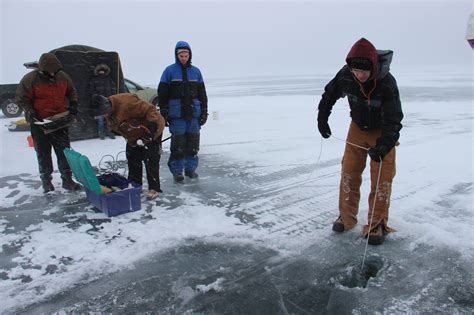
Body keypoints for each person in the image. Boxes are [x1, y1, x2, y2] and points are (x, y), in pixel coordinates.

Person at [316, 38, 403, 245]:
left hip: (382, 131)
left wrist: (383, 145)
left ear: (373, 66)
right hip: (357, 128)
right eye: (356, 70)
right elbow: (329, 95)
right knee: (349, 173)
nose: (359, 75)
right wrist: (322, 118)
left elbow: (394, 119)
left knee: (381, 179)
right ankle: (346, 218)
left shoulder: (387, 83)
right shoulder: (346, 75)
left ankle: (376, 224)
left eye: (364, 71)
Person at [16, 53, 81, 193]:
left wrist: (74, 104)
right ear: (42, 68)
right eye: (49, 70)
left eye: (54, 70)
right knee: (43, 153)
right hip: (39, 123)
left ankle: (67, 179)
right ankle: (46, 181)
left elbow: (72, 91)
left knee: (64, 152)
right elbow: (21, 99)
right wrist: (31, 112)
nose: (52, 72)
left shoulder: (63, 76)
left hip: (59, 121)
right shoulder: (30, 79)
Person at [91, 93, 165, 200]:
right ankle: (135, 186)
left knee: (150, 158)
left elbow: (150, 110)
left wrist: (151, 129)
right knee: (133, 158)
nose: (103, 116)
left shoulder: (127, 103)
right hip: (133, 134)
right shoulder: (108, 112)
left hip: (152, 128)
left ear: (106, 106)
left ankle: (154, 188)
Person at [158, 41, 208, 182]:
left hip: (193, 115)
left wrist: (204, 111)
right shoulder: (169, 71)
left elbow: (202, 93)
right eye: (181, 55)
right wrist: (164, 112)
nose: (184, 58)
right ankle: (177, 171)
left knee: (193, 144)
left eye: (186, 55)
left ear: (189, 55)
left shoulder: (196, 72)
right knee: (178, 145)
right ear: (176, 55)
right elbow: (162, 93)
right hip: (177, 115)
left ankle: (190, 169)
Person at [89, 63, 116, 140]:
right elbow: (91, 90)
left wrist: (112, 97)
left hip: (108, 101)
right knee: (100, 119)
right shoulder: (94, 79)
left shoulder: (109, 79)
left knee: (109, 119)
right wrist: (97, 97)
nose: (101, 72)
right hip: (99, 102)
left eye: (103, 71)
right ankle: (101, 133)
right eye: (100, 71)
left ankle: (110, 132)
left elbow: (113, 88)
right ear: (97, 71)